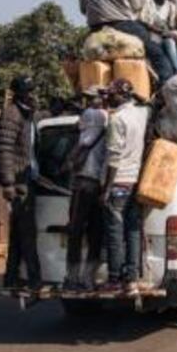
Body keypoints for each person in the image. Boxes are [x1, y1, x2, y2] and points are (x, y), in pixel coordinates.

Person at [101, 78, 150, 293]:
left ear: (121, 95)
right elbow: (149, 103)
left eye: (111, 94)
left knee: (115, 234)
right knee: (132, 230)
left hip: (118, 181)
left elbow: (113, 157)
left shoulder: (116, 119)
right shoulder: (142, 114)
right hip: (135, 180)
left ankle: (114, 278)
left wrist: (106, 188)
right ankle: (131, 278)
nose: (108, 97)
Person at [0, 76, 45, 292]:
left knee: (18, 233)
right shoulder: (12, 114)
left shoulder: (27, 114)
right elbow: (5, 149)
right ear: (21, 93)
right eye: (30, 91)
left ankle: (11, 277)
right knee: (27, 232)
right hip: (19, 182)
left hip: (29, 178)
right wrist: (8, 183)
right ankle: (34, 279)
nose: (33, 94)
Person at [62, 86, 109, 290]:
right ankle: (90, 277)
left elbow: (83, 139)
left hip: (84, 180)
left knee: (75, 230)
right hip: (100, 182)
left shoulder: (91, 115)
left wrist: (70, 160)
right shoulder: (109, 118)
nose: (87, 102)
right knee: (95, 231)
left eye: (90, 98)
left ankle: (72, 276)